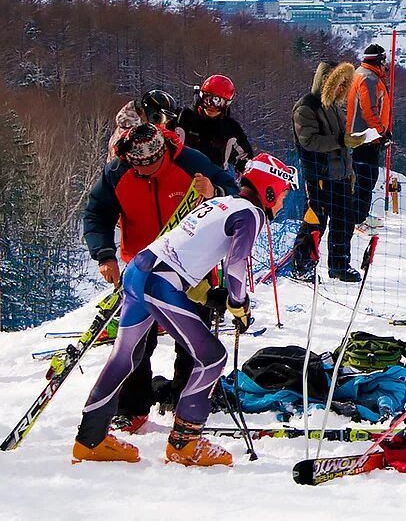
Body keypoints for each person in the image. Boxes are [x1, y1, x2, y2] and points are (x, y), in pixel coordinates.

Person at [72, 153, 297, 466]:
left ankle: (90, 438)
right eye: (283, 195)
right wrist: (237, 303)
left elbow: (184, 250)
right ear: (269, 191)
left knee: (125, 356)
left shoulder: (221, 203)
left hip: (139, 269)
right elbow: (235, 265)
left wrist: (207, 295)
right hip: (161, 282)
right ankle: (185, 442)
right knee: (212, 357)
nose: (283, 203)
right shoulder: (250, 213)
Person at [81, 123, 238, 432]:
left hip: (191, 268)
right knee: (135, 342)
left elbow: (234, 195)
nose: (147, 171)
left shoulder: (190, 162)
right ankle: (131, 408)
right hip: (141, 267)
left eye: (152, 164)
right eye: (139, 167)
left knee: (192, 340)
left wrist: (214, 192)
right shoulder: (117, 172)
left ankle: (186, 404)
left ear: (163, 151)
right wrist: (104, 254)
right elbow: (96, 213)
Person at [291, 61, 360, 282]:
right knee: (315, 220)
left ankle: (340, 264)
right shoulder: (306, 107)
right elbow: (309, 141)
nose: (340, 90)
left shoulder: (333, 107)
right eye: (337, 85)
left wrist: (350, 170)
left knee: (344, 220)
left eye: (343, 86)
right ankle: (303, 265)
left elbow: (342, 141)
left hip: (339, 173)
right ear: (325, 82)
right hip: (318, 175)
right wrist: (341, 140)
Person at [346, 43, 392, 231]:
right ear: (379, 60)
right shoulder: (369, 79)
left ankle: (359, 214)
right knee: (366, 179)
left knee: (363, 178)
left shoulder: (362, 74)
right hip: (366, 137)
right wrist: (382, 131)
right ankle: (358, 218)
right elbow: (369, 110)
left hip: (363, 136)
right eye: (384, 61)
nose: (386, 65)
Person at [177, 74, 254, 173]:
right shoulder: (185, 117)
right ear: (201, 97)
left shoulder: (230, 129)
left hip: (214, 177)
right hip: (181, 172)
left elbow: (246, 157)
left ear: (226, 104)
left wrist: (244, 166)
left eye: (218, 102)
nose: (212, 106)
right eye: (208, 100)